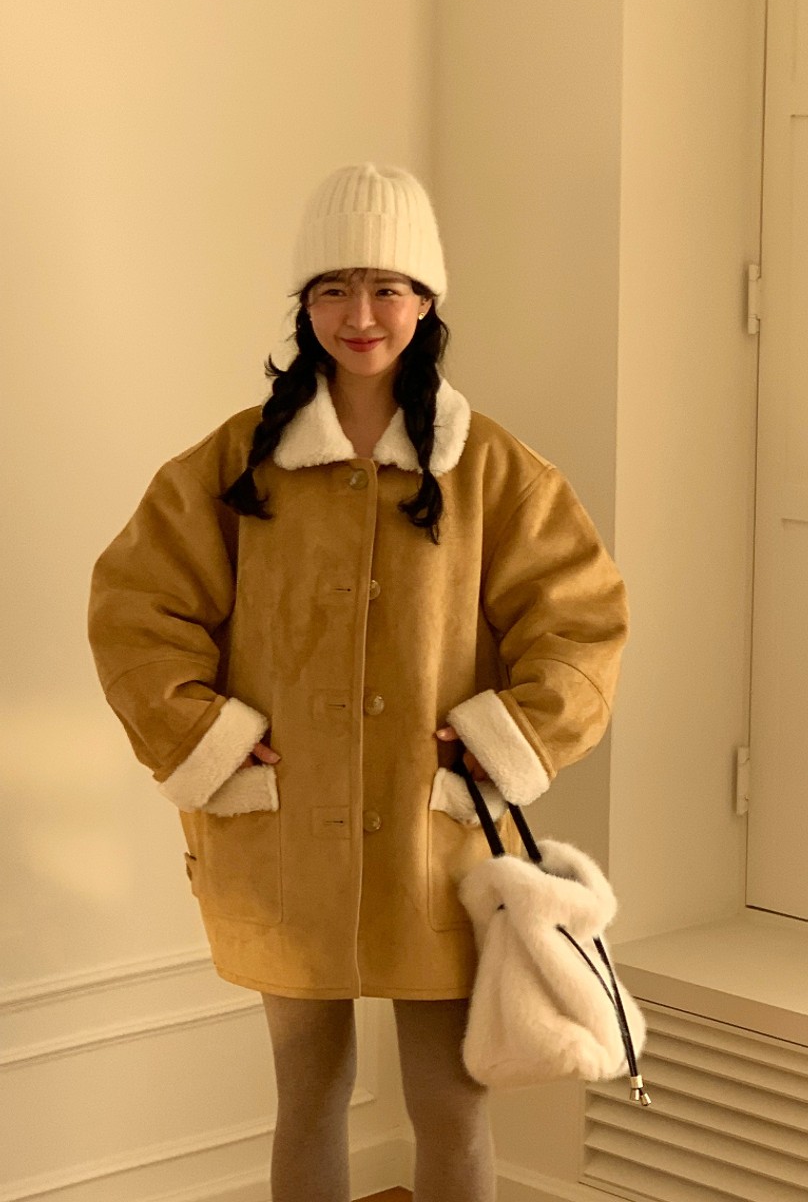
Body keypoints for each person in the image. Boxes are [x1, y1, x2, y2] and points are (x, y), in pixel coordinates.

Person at [86, 162, 631, 1202]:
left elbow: (581, 622)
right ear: (306, 306)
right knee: (308, 1096)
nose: (361, 315)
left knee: (450, 1104)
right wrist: (206, 734)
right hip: (283, 833)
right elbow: (135, 610)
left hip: (437, 835)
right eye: (334, 289)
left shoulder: (492, 470)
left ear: (425, 301)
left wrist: (507, 735)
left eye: (387, 287)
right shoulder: (236, 462)